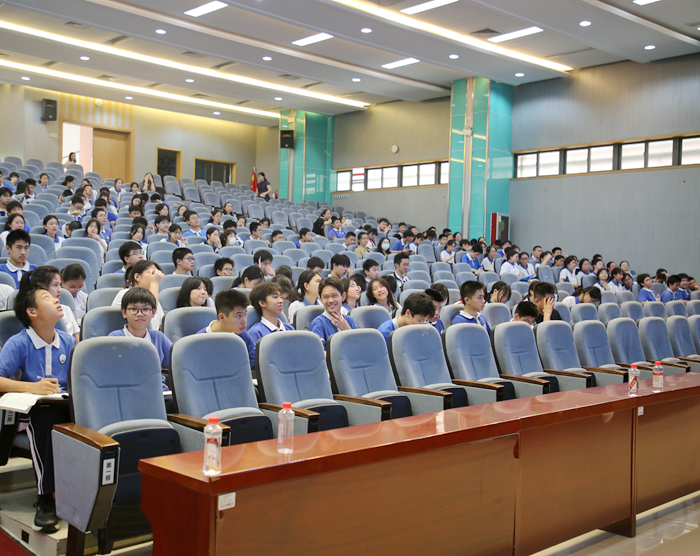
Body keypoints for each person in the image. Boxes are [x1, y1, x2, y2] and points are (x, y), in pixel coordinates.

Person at [0, 284, 76, 532]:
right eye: (46, 297)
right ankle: (46, 499)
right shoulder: (19, 343)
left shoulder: (68, 341)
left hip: (64, 405)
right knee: (45, 420)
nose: (56, 298)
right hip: (29, 411)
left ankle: (84, 495)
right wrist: (32, 387)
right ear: (32, 312)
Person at [109, 288, 171, 384]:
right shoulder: (115, 338)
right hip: (125, 389)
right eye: (133, 309)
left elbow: (177, 362)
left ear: (153, 312)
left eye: (145, 309)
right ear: (124, 312)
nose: (139, 314)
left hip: (158, 389)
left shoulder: (158, 338)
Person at [197, 289, 255, 368]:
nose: (244, 321)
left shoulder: (242, 334)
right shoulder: (200, 341)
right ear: (222, 317)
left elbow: (254, 360)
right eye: (239, 316)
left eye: (245, 314)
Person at [20, 266, 81, 340]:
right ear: (40, 287)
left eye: (60, 285)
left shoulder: (66, 309)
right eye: (55, 285)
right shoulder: (33, 313)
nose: (60, 290)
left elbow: (76, 339)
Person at [112, 260, 165, 330]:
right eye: (152, 273)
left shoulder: (154, 297)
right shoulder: (124, 293)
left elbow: (160, 326)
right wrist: (154, 283)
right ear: (137, 277)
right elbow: (148, 315)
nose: (156, 277)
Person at [309, 277, 357, 346]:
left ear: (343, 296)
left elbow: (358, 347)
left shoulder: (349, 320)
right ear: (321, 300)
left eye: (334, 296)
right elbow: (318, 351)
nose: (330, 300)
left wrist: (347, 330)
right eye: (325, 297)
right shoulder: (318, 323)